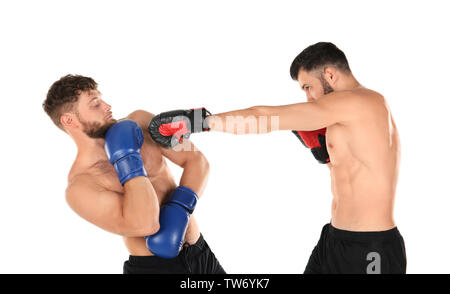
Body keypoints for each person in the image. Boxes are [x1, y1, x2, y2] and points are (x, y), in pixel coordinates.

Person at [149, 42, 407, 274]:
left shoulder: (361, 102)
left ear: (329, 74)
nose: (308, 97)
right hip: (333, 239)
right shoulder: (344, 114)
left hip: (372, 248)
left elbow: (263, 118)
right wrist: (326, 156)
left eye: (309, 87)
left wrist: (198, 122)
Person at [42, 74, 225, 274]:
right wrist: (126, 157)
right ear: (69, 120)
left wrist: (180, 208)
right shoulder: (80, 186)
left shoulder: (140, 122)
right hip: (154, 270)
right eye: (95, 104)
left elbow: (197, 161)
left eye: (101, 98)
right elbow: (145, 224)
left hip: (201, 255)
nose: (107, 106)